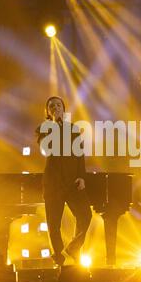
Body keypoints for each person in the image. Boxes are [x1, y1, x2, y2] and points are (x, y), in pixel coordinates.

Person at [35, 96, 92, 266]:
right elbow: (47, 149)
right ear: (47, 111)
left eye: (58, 105)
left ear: (63, 109)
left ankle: (74, 247)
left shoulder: (73, 129)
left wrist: (82, 176)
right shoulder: (43, 129)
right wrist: (54, 125)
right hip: (53, 184)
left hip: (72, 182)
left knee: (86, 215)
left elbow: (79, 155)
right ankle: (59, 257)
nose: (55, 108)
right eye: (51, 106)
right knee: (54, 224)